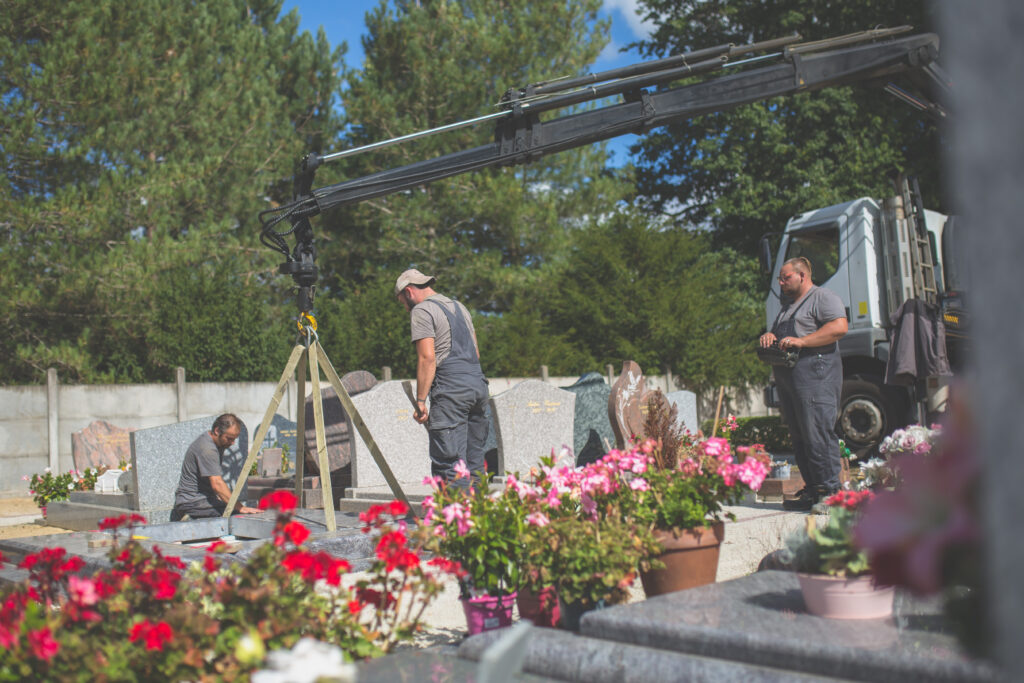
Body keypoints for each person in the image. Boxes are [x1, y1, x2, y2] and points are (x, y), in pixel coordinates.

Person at [759, 257, 848, 512]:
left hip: (816, 375)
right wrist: (770, 336)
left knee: (818, 432)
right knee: (800, 436)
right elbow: (782, 336)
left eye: (785, 278)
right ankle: (813, 490)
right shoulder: (787, 306)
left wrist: (803, 342)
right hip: (790, 378)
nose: (781, 282)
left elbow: (840, 327)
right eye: (780, 278)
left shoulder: (823, 297)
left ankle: (832, 494)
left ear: (802, 275)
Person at [395, 268, 489, 487]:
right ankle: (480, 519)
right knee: (474, 465)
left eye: (402, 302)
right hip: (478, 386)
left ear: (409, 292)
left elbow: (427, 357)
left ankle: (455, 521)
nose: (405, 308)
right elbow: (476, 354)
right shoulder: (460, 307)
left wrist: (420, 401)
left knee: (450, 466)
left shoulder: (422, 310)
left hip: (451, 390)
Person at [171, 414, 260, 520]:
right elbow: (217, 484)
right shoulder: (208, 449)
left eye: (234, 439)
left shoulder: (215, 442)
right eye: (229, 438)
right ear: (217, 431)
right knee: (237, 516)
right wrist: (240, 507)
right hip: (192, 502)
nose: (232, 443)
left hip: (200, 499)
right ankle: (190, 518)